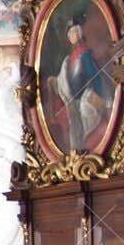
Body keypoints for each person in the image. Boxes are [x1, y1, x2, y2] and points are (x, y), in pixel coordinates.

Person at [51, 9, 111, 152]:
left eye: (75, 32)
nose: (73, 35)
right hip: (74, 104)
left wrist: (101, 97)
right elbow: (64, 79)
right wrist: (55, 81)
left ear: (80, 33)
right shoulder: (69, 59)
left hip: (85, 101)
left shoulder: (84, 54)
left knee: (85, 132)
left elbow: (94, 76)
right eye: (71, 33)